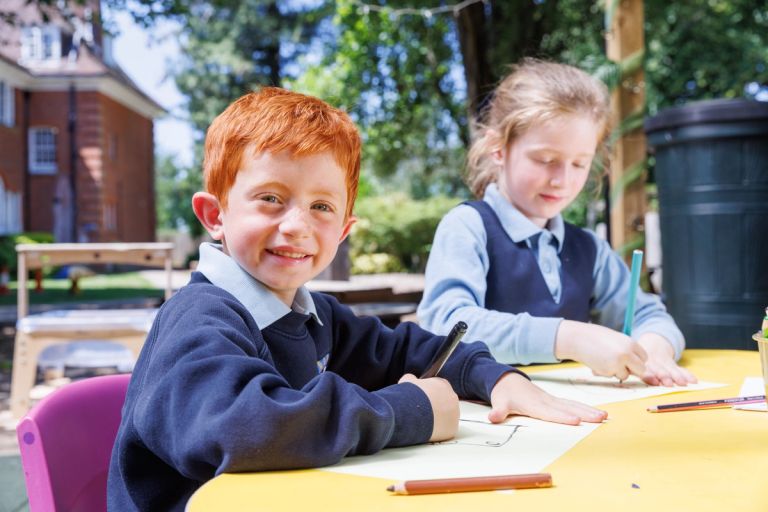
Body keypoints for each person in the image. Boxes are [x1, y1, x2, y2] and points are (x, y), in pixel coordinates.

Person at [108, 87, 607, 511]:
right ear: (215, 215)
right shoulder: (198, 319)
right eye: (271, 199)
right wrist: (412, 411)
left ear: (344, 230)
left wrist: (492, 376)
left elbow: (403, 349)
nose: (297, 225)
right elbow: (243, 427)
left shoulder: (310, 314)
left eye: (321, 206)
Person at [417, 59, 697, 387]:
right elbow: (446, 326)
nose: (562, 180)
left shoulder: (588, 248)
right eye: (545, 160)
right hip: (485, 414)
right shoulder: (468, 227)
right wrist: (569, 337)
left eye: (579, 164)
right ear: (498, 149)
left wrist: (654, 349)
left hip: (577, 412)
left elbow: (650, 316)